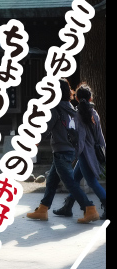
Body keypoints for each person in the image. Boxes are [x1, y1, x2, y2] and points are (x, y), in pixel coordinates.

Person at [27, 78, 99, 224]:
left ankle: (90, 208)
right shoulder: (71, 108)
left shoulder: (55, 108)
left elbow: (46, 127)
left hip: (61, 150)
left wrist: (36, 140)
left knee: (71, 183)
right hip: (70, 150)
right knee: (52, 181)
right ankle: (43, 209)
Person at [53, 83, 106, 221]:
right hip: (92, 153)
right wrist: (101, 151)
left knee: (92, 182)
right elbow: (100, 137)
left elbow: (81, 139)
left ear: (76, 98)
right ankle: (68, 206)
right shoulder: (94, 113)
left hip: (85, 154)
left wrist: (75, 155)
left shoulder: (79, 115)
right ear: (90, 98)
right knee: (75, 179)